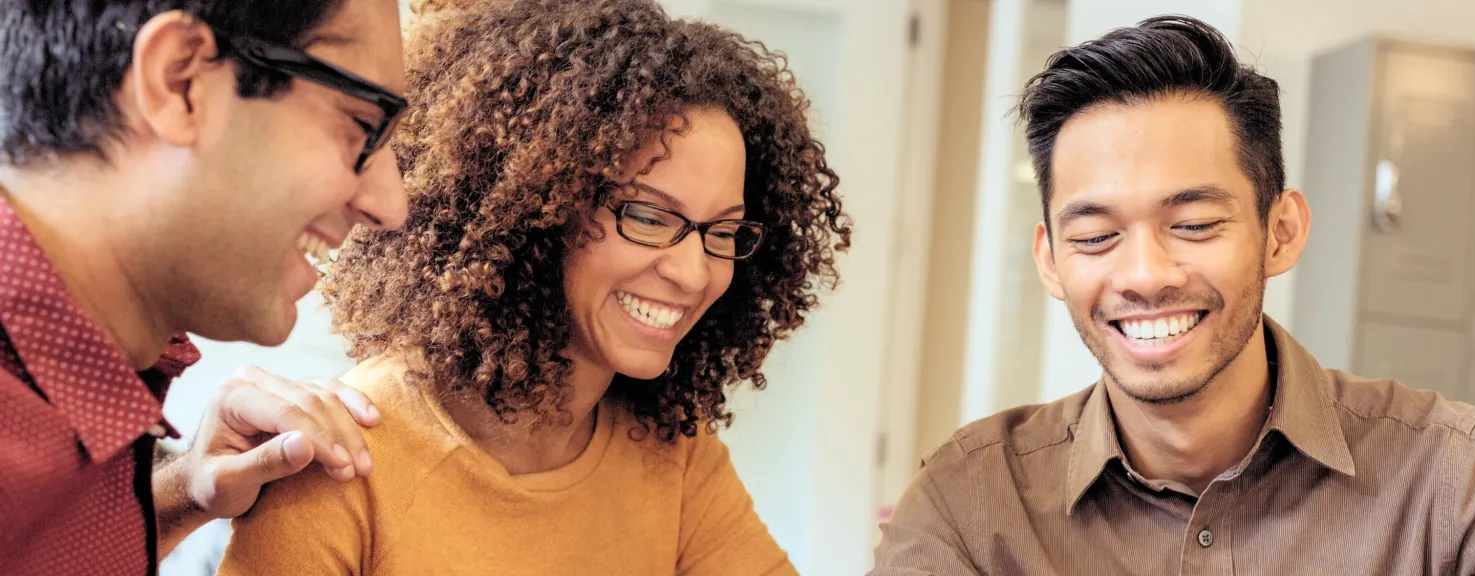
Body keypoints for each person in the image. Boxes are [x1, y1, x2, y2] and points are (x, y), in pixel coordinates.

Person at [872, 15, 1475, 575]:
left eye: (1191, 224)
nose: (1145, 274)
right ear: (1051, 261)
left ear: (1281, 231)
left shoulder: (1466, 488)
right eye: (1094, 237)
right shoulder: (968, 505)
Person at [214, 0, 850, 574]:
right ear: (536, 212)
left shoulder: (675, 456)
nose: (692, 272)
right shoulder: (341, 463)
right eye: (649, 217)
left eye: (723, 232)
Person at [0, 0, 412, 573]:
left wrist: (179, 495)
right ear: (181, 80)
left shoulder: (83, 373)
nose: (390, 204)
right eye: (363, 126)